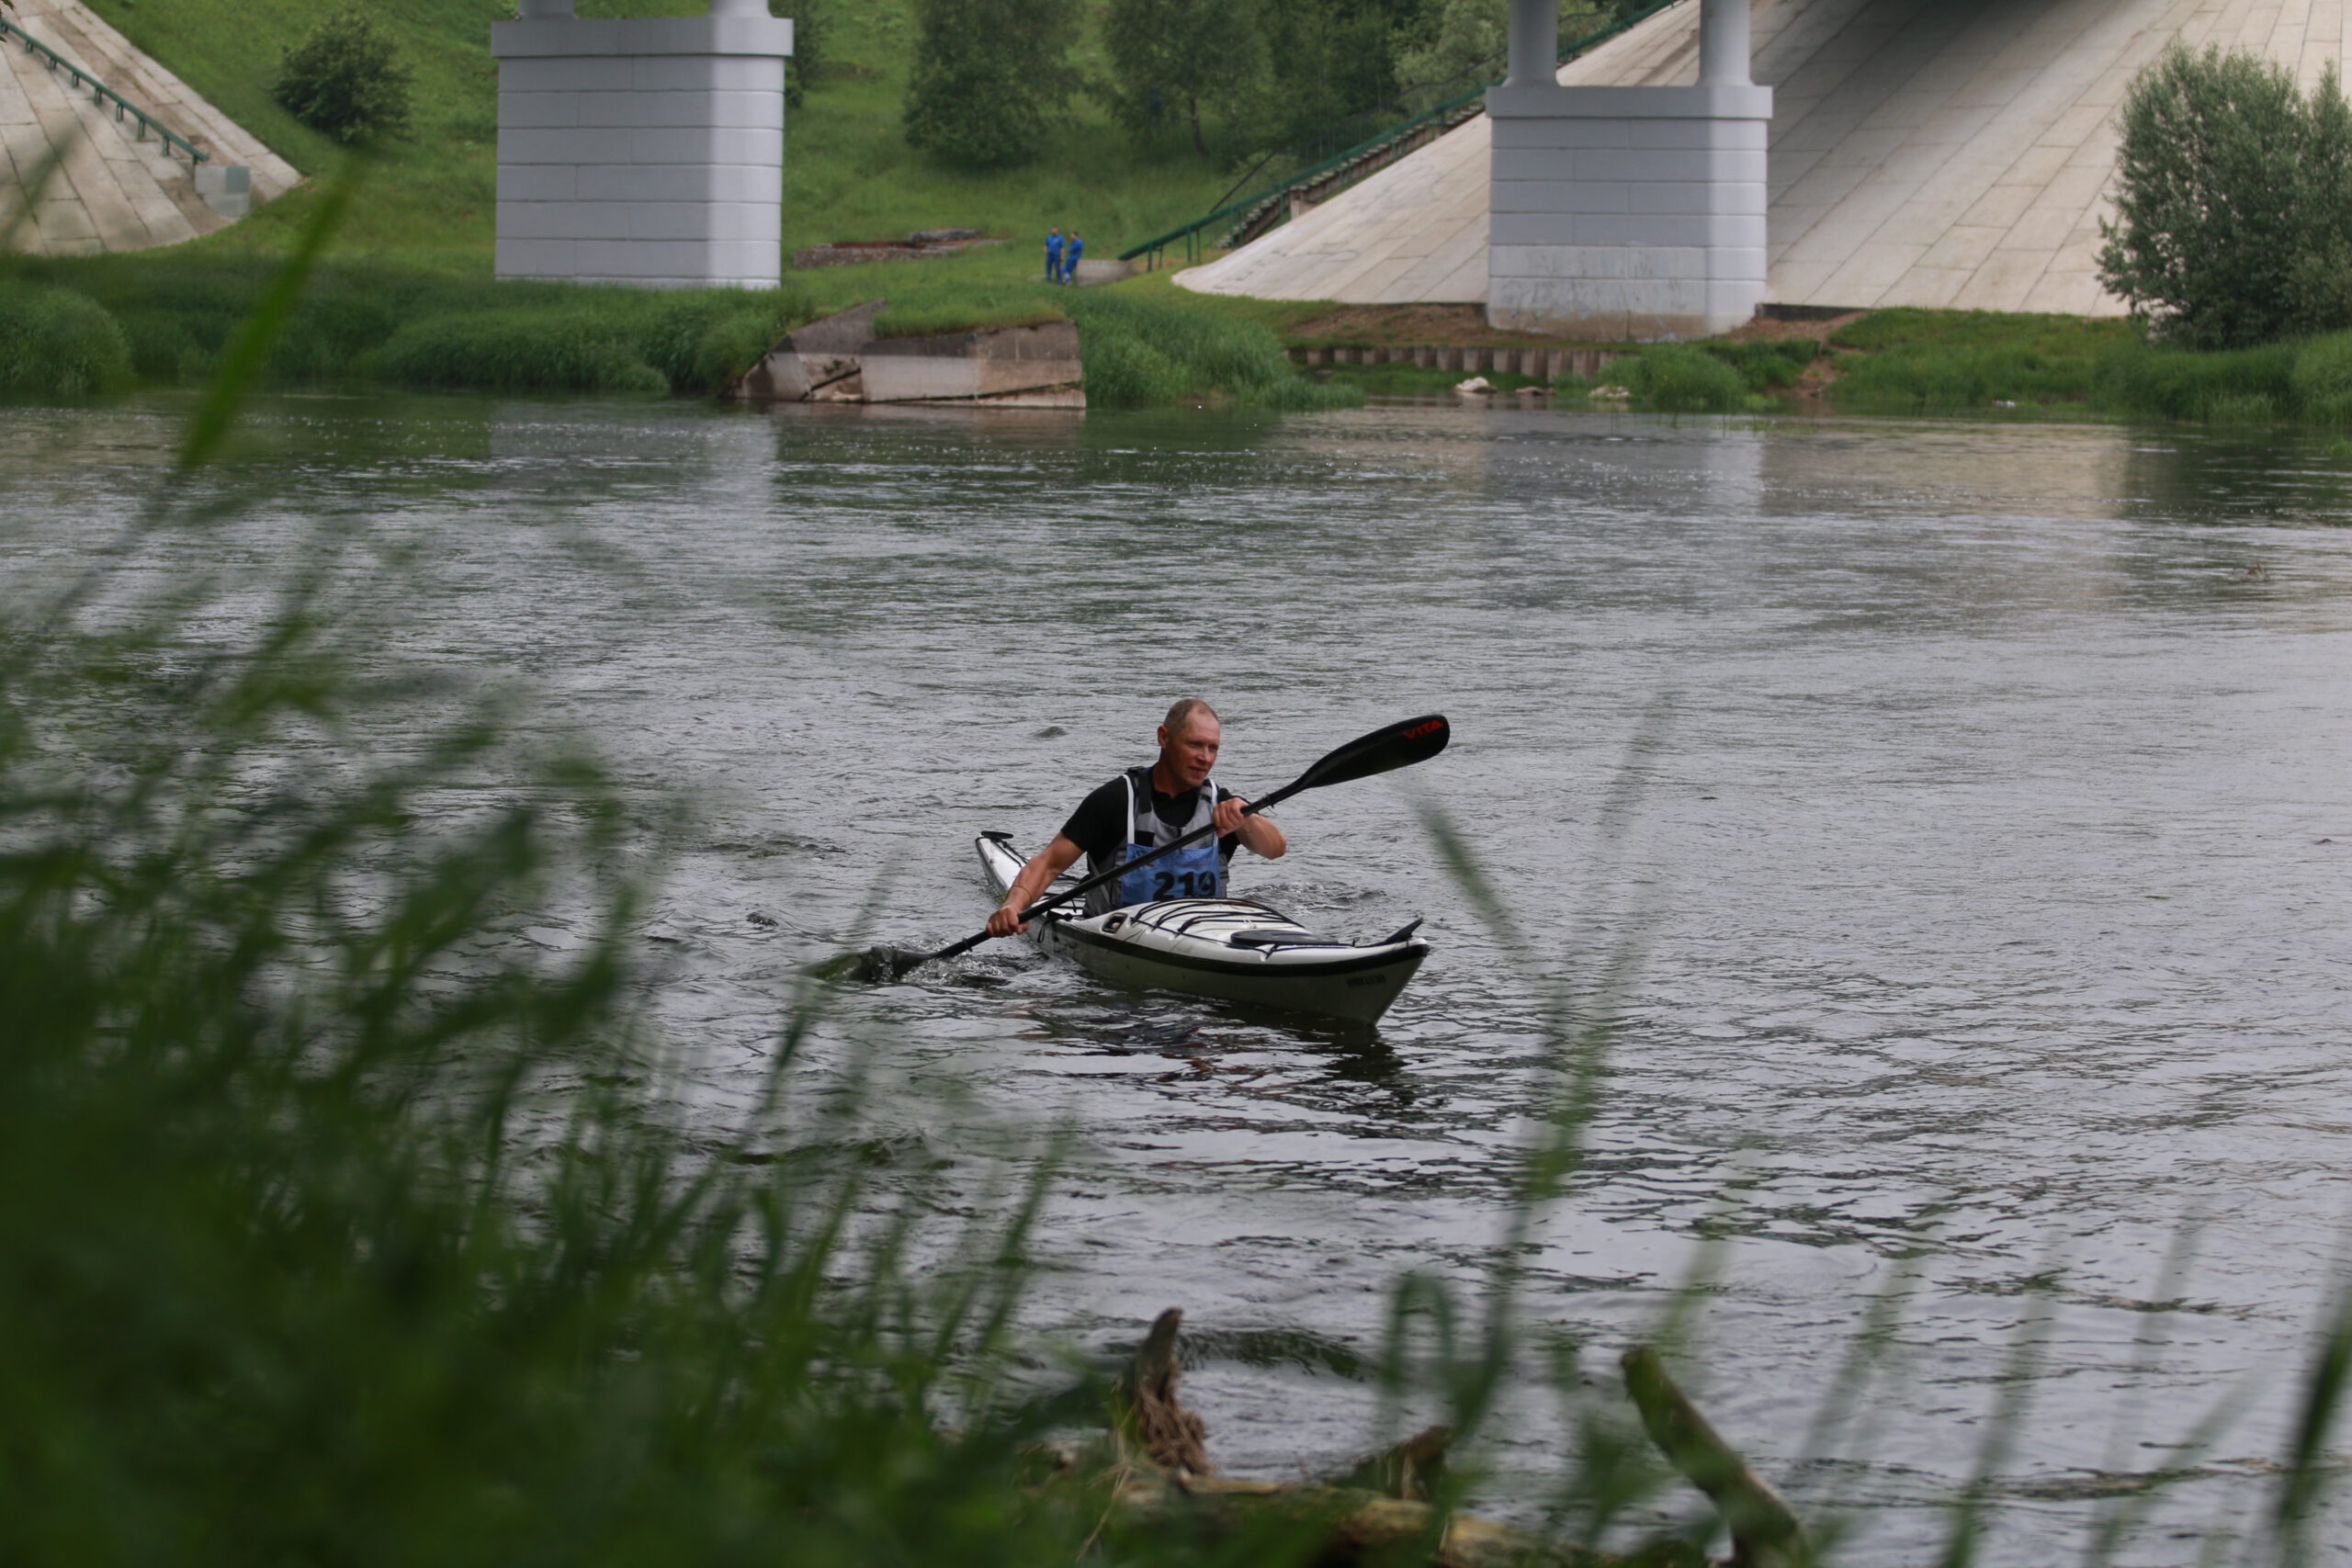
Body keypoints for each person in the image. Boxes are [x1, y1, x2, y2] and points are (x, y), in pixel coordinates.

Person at [987, 698, 1285, 936]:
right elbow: (1049, 865)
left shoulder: (1223, 805)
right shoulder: (1116, 800)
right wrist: (1013, 905)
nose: (1205, 757)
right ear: (1163, 738)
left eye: (1213, 748)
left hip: (1205, 937)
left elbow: (1275, 849)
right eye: (1194, 744)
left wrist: (1247, 818)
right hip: (1115, 938)